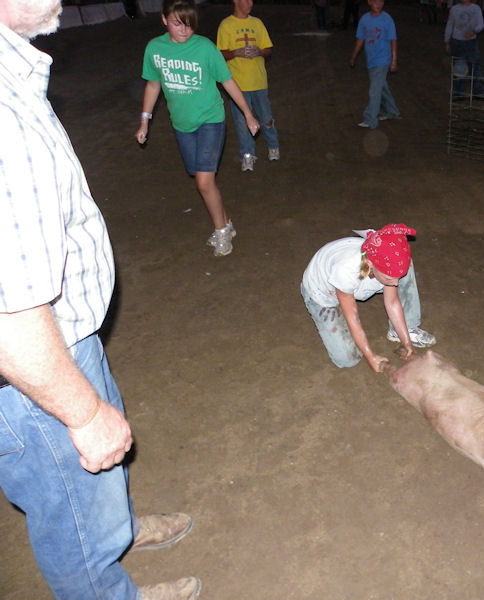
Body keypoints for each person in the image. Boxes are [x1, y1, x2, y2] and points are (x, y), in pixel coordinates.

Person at [0, 0, 200, 597]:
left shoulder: (14, 73)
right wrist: (83, 414)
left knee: (91, 481)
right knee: (69, 510)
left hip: (63, 337)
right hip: (32, 368)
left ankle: (117, 528)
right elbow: (8, 312)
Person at [136, 0, 260, 257]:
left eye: (189, 25)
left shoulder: (205, 48)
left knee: (204, 182)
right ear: (164, 20)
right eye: (177, 23)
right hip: (182, 124)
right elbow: (153, 85)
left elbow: (228, 81)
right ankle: (227, 223)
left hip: (210, 120)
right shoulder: (155, 49)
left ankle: (221, 232)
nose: (184, 30)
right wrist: (145, 120)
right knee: (202, 179)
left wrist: (248, 113)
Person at [301, 225, 436, 373]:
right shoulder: (346, 271)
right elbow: (353, 319)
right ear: (371, 264)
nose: (396, 283)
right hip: (323, 292)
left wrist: (406, 342)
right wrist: (370, 356)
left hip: (360, 276)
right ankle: (333, 306)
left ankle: (406, 328)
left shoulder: (385, 264)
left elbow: (392, 302)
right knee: (348, 360)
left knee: (404, 267)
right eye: (389, 278)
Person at [217, 0, 280, 172]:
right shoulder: (226, 25)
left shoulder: (257, 23)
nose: (250, 3)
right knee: (242, 123)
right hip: (237, 85)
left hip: (258, 81)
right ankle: (247, 155)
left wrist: (259, 51)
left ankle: (273, 145)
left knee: (266, 117)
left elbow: (268, 48)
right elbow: (220, 53)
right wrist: (236, 53)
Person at [349, 0, 400, 129]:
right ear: (369, 2)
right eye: (376, 1)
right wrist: (354, 56)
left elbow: (393, 40)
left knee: (374, 90)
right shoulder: (364, 19)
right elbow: (360, 39)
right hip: (371, 59)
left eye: (381, 1)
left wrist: (394, 60)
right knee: (381, 86)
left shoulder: (387, 19)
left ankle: (370, 119)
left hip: (383, 60)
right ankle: (392, 111)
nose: (379, 4)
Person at [445, 0, 484, 99]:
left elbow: (480, 24)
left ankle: (478, 92)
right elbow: (450, 25)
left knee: (475, 66)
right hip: (457, 41)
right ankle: (458, 93)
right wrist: (447, 41)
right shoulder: (454, 9)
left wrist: (474, 31)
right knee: (459, 67)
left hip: (471, 42)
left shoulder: (476, 8)